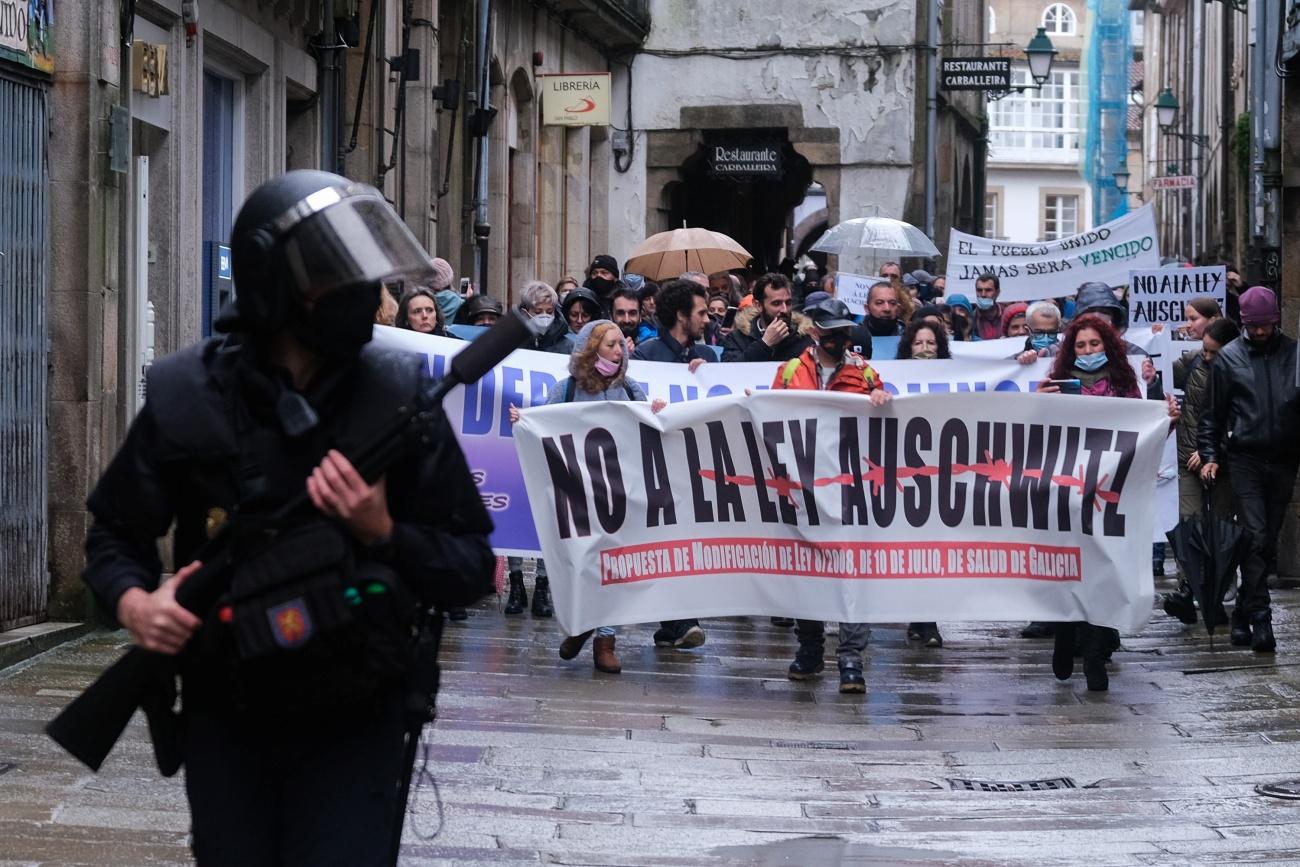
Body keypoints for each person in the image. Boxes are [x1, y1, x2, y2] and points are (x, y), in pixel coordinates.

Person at [82, 170, 494, 862]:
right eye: (340, 274)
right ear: (276, 284)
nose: (369, 294)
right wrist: (134, 603)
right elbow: (113, 534)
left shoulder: (398, 397)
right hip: (228, 711)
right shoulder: (189, 396)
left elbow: (471, 567)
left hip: (356, 714)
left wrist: (382, 530)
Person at [507, 321, 666, 672]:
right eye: (610, 345)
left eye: (620, 346)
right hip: (579, 493)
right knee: (584, 565)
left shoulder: (628, 388)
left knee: (614, 566)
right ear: (592, 349)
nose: (618, 351)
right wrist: (523, 420)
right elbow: (541, 425)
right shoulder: (567, 389)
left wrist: (656, 409)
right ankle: (581, 627)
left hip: (620, 493)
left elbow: (653, 426)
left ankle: (604, 643)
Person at [1037, 314, 1180, 690]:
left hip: (1111, 495)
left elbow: (1144, 437)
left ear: (1108, 347)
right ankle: (1067, 634)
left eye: (1094, 345)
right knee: (1070, 569)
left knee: (1106, 571)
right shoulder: (1054, 388)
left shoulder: (1125, 386)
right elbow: (1035, 438)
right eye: (1081, 346)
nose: (1088, 352)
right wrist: (1037, 404)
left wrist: (1168, 421)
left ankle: (1097, 651)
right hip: (1067, 496)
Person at [771, 297, 892, 693]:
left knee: (852, 573)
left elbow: (888, 402)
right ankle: (810, 649)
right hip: (804, 487)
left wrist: (881, 397)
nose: (840, 339)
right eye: (832, 333)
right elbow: (767, 416)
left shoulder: (864, 373)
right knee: (807, 572)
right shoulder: (790, 372)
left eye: (845, 332)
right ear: (814, 332)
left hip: (850, 487)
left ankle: (851, 658)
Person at [1199, 286, 1300, 653]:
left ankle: (1242, 610)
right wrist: (1210, 453)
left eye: (1266, 325)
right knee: (1255, 535)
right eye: (1254, 326)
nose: (1260, 332)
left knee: (1266, 542)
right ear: (1243, 324)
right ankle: (1261, 617)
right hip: (1246, 457)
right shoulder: (1229, 360)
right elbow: (1212, 414)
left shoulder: (1294, 354)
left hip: (1285, 457)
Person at [633, 279, 713, 648]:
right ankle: (681, 620)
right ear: (681, 316)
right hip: (656, 463)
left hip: (693, 464)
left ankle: (672, 624)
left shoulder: (708, 357)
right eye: (701, 312)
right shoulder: (646, 356)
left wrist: (705, 374)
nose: (708, 319)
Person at [1162, 315, 1239, 625]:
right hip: (1187, 462)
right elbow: (1164, 380)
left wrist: (1211, 452)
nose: (1206, 357)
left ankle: (1216, 593)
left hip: (1223, 465)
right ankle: (1188, 587)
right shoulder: (1192, 363)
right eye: (1203, 350)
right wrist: (1151, 374)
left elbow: (1238, 419)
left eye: (1213, 352)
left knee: (1218, 528)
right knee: (1190, 524)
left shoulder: (1241, 373)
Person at [894, 319, 951, 649]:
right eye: (919, 344)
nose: (925, 350)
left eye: (931, 344)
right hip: (903, 472)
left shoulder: (955, 377)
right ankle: (918, 617)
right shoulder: (892, 378)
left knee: (933, 546)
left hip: (939, 473)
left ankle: (927, 619)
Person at [720, 273, 812, 363]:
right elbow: (730, 372)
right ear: (758, 305)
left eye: (788, 303)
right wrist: (764, 344)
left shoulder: (803, 339)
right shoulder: (737, 338)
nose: (784, 310)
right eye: (776, 303)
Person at [517, 280, 573, 355]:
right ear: (525, 312)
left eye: (549, 312)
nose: (544, 316)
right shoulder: (512, 344)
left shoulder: (568, 346)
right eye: (538, 312)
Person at [973, 273, 1004, 340]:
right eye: (979, 290)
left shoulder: (1006, 315)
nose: (983, 294)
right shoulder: (971, 318)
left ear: (997, 292)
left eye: (988, 290)